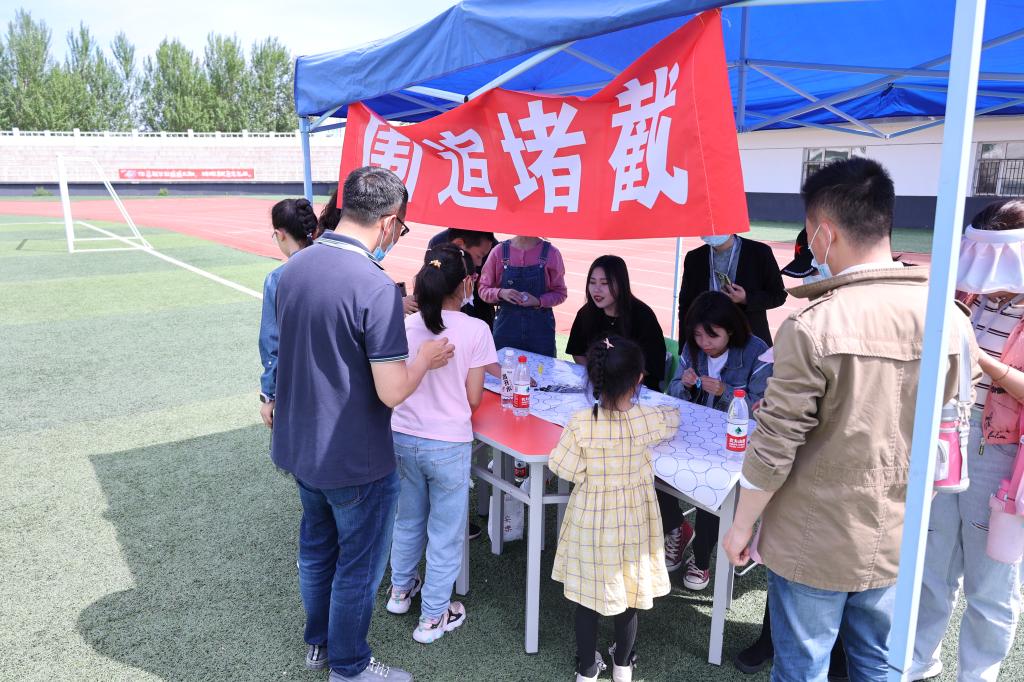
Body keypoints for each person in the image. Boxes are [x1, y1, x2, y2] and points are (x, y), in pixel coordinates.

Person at [721, 157, 978, 682]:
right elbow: (953, 428)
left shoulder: (814, 325)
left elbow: (774, 446)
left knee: (803, 667)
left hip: (812, 538)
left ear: (824, 232)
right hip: (897, 532)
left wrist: (742, 525)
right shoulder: (949, 318)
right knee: (877, 664)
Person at [271, 166, 455, 682]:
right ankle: (349, 666)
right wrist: (424, 360)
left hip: (301, 446)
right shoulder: (374, 286)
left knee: (317, 551)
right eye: (402, 228)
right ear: (390, 222)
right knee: (357, 566)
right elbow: (391, 389)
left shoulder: (294, 268)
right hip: (354, 455)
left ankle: (319, 644)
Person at [911, 199, 1024, 682]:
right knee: (933, 561)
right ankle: (919, 657)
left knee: (991, 578)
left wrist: (981, 359)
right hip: (948, 433)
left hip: (1001, 454)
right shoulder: (968, 295)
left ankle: (978, 673)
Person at [730, 227, 850, 679]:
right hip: (808, 482)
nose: (810, 284)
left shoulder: (835, 324)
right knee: (786, 576)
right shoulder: (813, 320)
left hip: (841, 488)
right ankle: (770, 639)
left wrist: (741, 525)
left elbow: (780, 440)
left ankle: (835, 659)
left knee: (831, 615)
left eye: (813, 269)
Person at [549, 335, 680, 682]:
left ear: (595, 377)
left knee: (587, 601)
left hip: (592, 520)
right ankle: (623, 665)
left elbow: (562, 466)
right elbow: (673, 419)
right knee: (630, 598)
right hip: (634, 520)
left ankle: (586, 669)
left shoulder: (581, 422)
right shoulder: (645, 419)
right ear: (639, 379)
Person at [386, 244, 497, 644]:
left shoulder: (407, 324)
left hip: (402, 436)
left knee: (407, 520)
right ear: (465, 284)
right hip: (447, 443)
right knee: (445, 531)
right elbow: (473, 398)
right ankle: (433, 615)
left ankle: (400, 591)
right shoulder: (476, 329)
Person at [667, 291, 770, 592]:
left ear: (731, 329)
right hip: (694, 435)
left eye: (712, 335)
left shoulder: (756, 352)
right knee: (651, 464)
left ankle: (701, 560)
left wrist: (726, 391)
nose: (704, 343)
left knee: (714, 487)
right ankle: (676, 528)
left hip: (733, 444)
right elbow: (673, 390)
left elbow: (761, 408)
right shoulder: (692, 349)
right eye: (698, 335)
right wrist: (685, 385)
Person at [258, 198, 321, 428]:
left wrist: (269, 394)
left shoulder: (278, 279)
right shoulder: (339, 266)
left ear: (280, 234)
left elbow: (271, 341)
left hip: (298, 381)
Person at [566, 255, 666, 391]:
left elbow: (650, 366)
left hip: (636, 390)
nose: (596, 289)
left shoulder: (643, 316)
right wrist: (595, 376)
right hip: (598, 388)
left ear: (621, 284)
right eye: (592, 282)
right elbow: (577, 351)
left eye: (604, 283)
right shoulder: (586, 313)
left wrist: (615, 382)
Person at [677, 231, 787, 346]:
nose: (711, 230)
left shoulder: (759, 252)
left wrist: (746, 298)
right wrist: (685, 345)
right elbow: (686, 305)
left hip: (747, 341)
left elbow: (778, 295)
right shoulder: (694, 258)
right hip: (707, 343)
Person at [478, 234, 567, 357]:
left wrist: (539, 301)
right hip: (506, 329)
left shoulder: (552, 253)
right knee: (503, 367)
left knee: (542, 368)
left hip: (540, 332)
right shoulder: (499, 251)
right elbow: (483, 289)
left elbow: (560, 293)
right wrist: (501, 293)